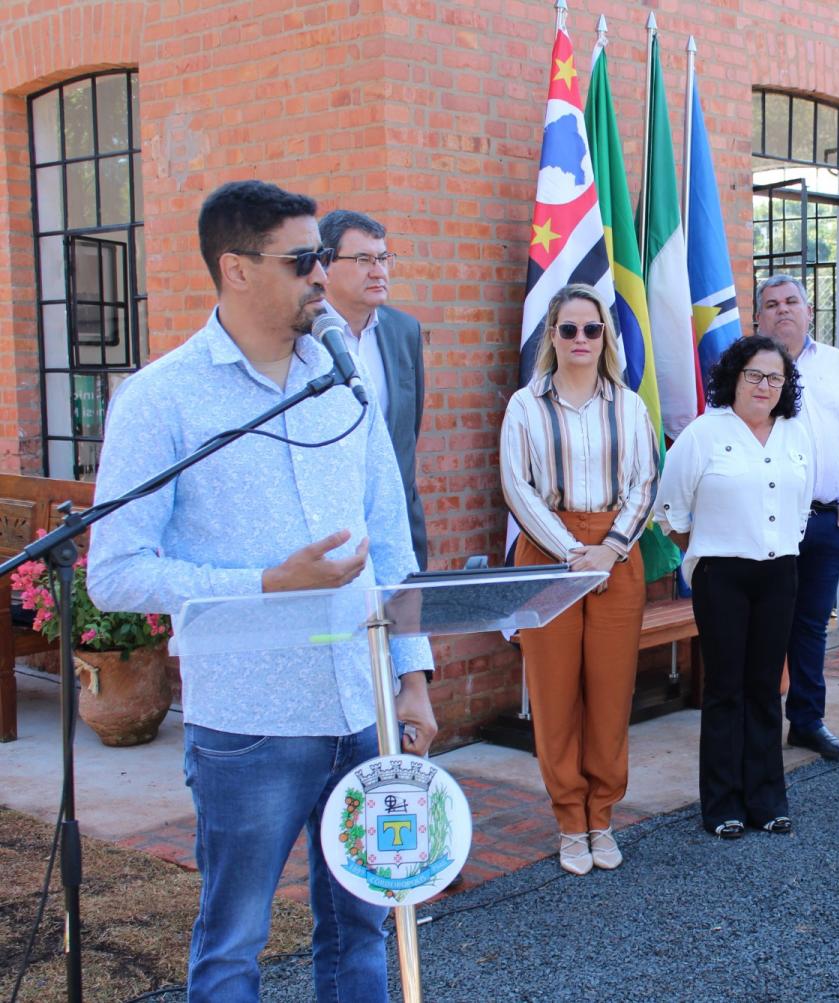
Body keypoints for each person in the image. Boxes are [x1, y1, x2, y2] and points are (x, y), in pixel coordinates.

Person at [86, 180, 436, 1002]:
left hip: (362, 706)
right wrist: (268, 584)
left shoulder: (346, 378)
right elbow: (115, 570)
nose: (321, 274)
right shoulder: (161, 398)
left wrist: (413, 675)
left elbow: (390, 540)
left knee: (360, 928)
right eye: (303, 259)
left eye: (323, 256)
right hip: (250, 724)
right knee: (234, 940)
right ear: (236, 268)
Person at [500, 283, 659, 875]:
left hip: (616, 554)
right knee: (554, 694)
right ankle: (570, 820)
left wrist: (609, 548)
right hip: (549, 556)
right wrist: (572, 552)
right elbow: (517, 486)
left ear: (605, 337)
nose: (581, 339)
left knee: (611, 694)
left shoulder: (629, 405)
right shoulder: (525, 405)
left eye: (592, 329)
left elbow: (646, 481)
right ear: (553, 336)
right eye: (568, 329)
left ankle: (601, 817)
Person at [655, 335, 814, 838]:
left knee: (766, 688)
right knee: (725, 688)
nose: (764, 386)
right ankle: (722, 805)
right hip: (721, 575)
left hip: (779, 573)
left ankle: (767, 800)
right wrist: (710, 545)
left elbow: (802, 507)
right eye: (754, 375)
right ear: (734, 377)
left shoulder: (796, 433)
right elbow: (671, 511)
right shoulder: (704, 433)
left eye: (775, 378)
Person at [755, 274, 839, 761]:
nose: (783, 309)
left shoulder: (836, 363)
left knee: (811, 626)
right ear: (758, 317)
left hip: (828, 520)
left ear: (808, 310)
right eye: (772, 304)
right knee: (767, 626)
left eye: (791, 301)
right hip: (771, 521)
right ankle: (758, 727)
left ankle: (806, 721)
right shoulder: (751, 369)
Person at [318, 209, 430, 570]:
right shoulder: (299, 336)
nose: (379, 271)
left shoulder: (404, 331)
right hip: (327, 536)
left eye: (383, 258)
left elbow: (405, 436)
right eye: (363, 259)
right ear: (325, 265)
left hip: (395, 531)